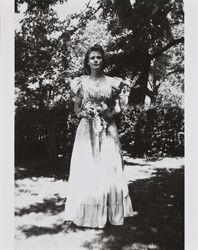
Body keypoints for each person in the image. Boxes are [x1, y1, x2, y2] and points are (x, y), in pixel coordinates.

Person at [64, 44, 135, 228]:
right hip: (87, 130)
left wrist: (107, 115)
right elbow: (76, 108)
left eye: (99, 57)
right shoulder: (80, 83)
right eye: (92, 57)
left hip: (107, 129)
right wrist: (86, 114)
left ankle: (111, 210)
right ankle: (86, 212)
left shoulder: (113, 82)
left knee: (109, 165)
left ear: (103, 60)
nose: (95, 60)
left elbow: (118, 107)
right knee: (88, 166)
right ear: (87, 62)